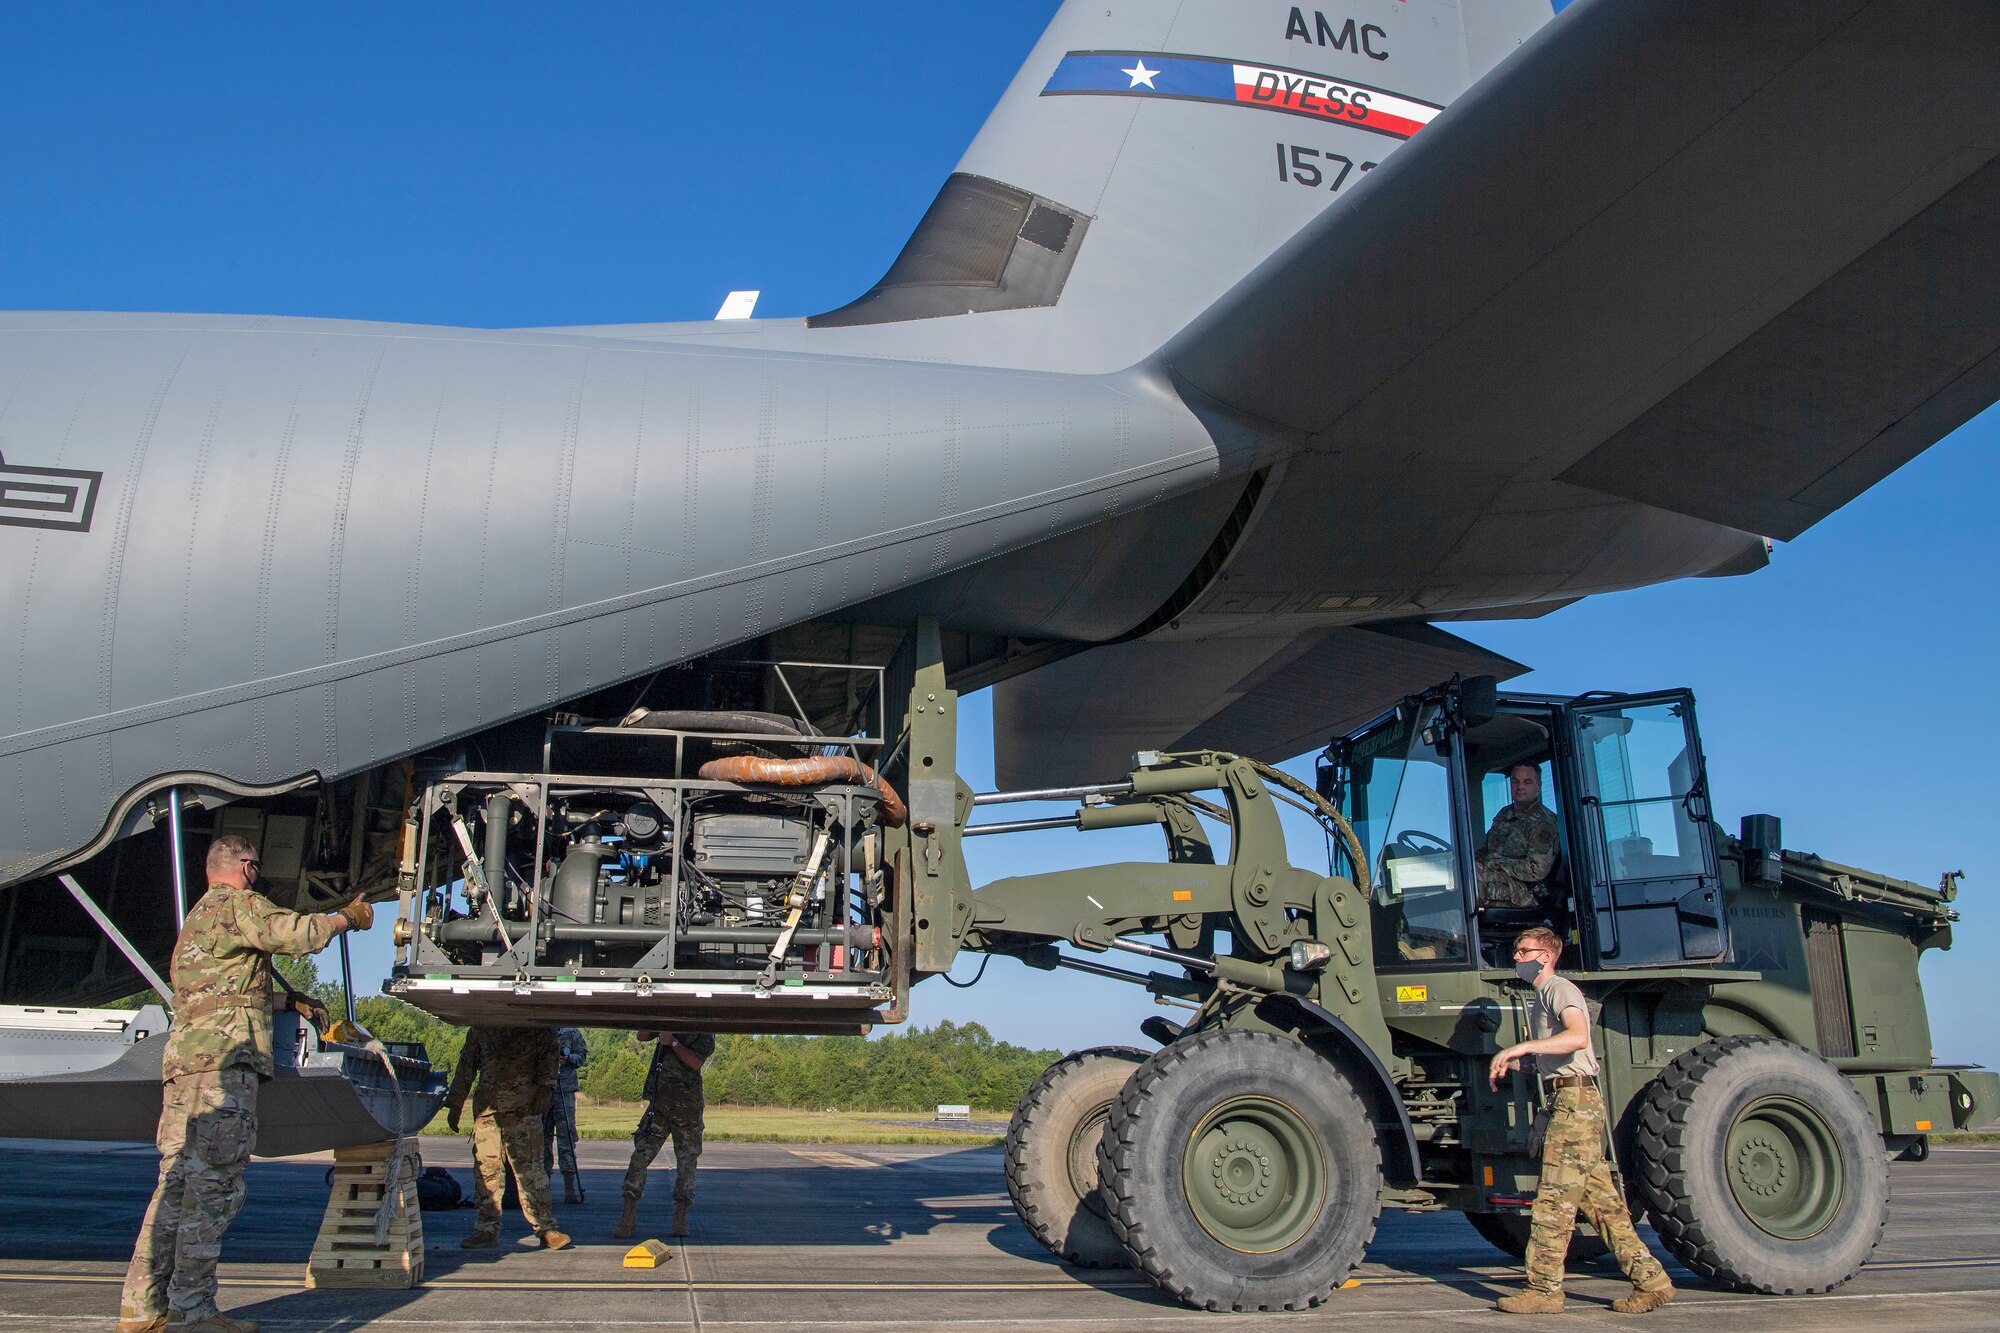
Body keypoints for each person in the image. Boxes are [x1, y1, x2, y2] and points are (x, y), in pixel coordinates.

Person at [118, 834, 373, 1333]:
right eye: (254, 866)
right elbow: (294, 934)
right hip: (223, 1070)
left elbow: (218, 988)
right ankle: (192, 1312)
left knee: (173, 1186)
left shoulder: (196, 921)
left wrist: (285, 1002)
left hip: (186, 1067)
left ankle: (142, 1308)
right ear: (244, 866)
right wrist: (348, 918)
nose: (257, 875)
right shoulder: (239, 904)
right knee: (213, 1186)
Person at [1489, 927, 1674, 1315]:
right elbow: (1557, 1057)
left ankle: (1543, 1290)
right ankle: (1652, 1281)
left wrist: (1522, 1046)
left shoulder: (1559, 989)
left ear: (1545, 956)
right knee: (1604, 1207)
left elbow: (1576, 1036)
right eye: (1516, 950)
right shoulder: (1542, 996)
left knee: (1553, 1201)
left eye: (1524, 951)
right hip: (1567, 1097)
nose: (1517, 957)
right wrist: (1519, 1063)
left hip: (1575, 1103)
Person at [446, 1026, 571, 1251]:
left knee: (532, 1172)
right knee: (487, 1172)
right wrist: (456, 1103)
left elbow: (550, 1053)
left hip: (524, 1109)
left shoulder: (534, 1024)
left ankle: (545, 1228)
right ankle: (486, 1229)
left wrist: (546, 1088)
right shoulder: (482, 1026)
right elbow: (466, 1066)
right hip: (488, 1111)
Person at [614, 1030, 715, 1240]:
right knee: (639, 1158)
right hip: (659, 1106)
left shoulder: (703, 1029)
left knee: (687, 1164)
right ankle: (628, 1215)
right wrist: (657, 1025)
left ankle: (681, 1217)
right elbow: (642, 1036)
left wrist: (673, 1042)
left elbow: (696, 1062)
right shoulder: (667, 1021)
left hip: (687, 1108)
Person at [1475, 763, 1559, 909]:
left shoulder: (1543, 822)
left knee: (1471, 881)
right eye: (1515, 782)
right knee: (1457, 873)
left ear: (1538, 786)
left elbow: (1536, 870)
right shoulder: (1504, 814)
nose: (1520, 787)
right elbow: (1486, 851)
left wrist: (1497, 864)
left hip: (1526, 892)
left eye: (1527, 782)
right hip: (1497, 879)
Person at [543, 1026, 588, 1204]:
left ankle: (569, 1186)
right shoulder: (542, 1031)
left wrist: (567, 1058)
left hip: (565, 1089)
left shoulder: (572, 1032)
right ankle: (543, 1186)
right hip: (544, 1089)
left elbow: (581, 1057)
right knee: (541, 1140)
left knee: (566, 1139)